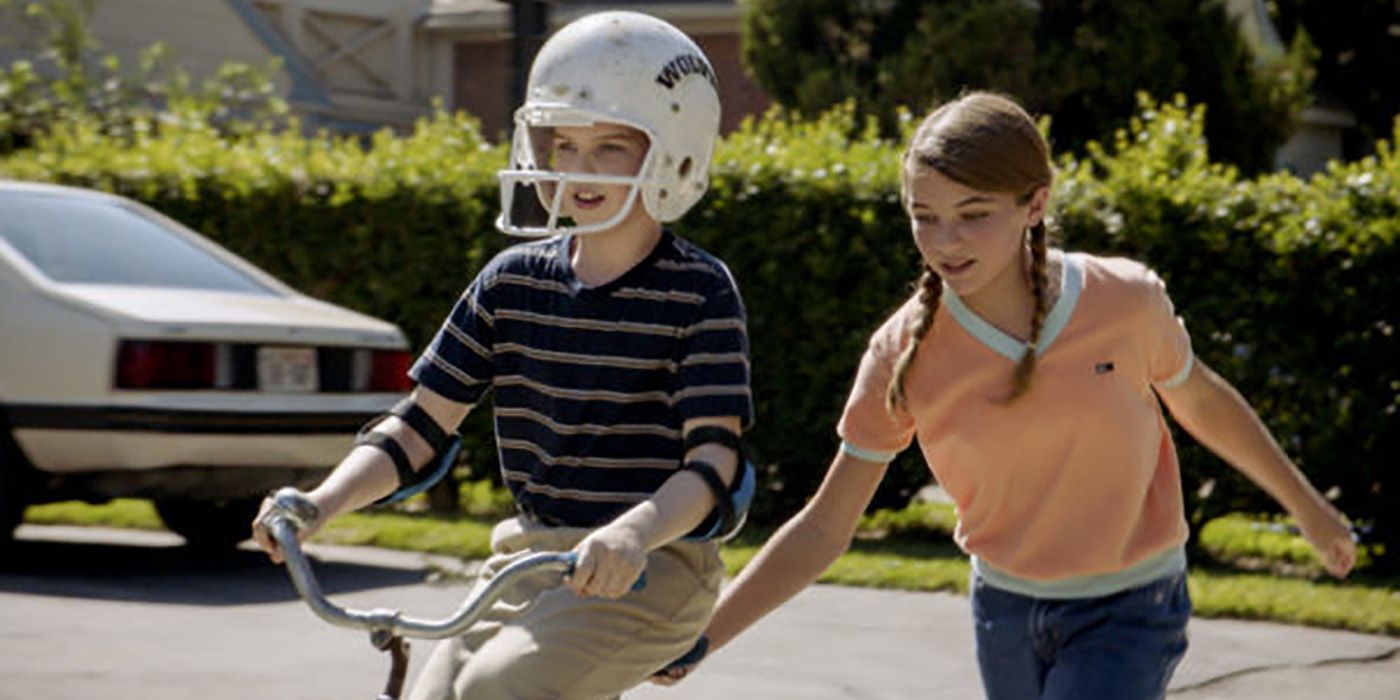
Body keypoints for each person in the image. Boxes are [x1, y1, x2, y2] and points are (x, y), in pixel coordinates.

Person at [654, 91, 1356, 700]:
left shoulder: (1124, 302)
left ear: (1035, 203)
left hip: (1132, 607)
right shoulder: (904, 353)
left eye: (973, 213)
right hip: (1005, 613)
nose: (945, 240)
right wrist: (705, 637)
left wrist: (1308, 508)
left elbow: (1202, 401)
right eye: (923, 215)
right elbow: (826, 525)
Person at [251, 11, 753, 700]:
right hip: (525, 562)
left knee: (497, 689)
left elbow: (714, 462)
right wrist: (319, 502)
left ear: (674, 150)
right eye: (562, 143)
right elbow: (419, 427)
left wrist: (633, 531)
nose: (578, 169)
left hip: (652, 566)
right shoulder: (511, 282)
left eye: (611, 146)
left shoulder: (698, 291)